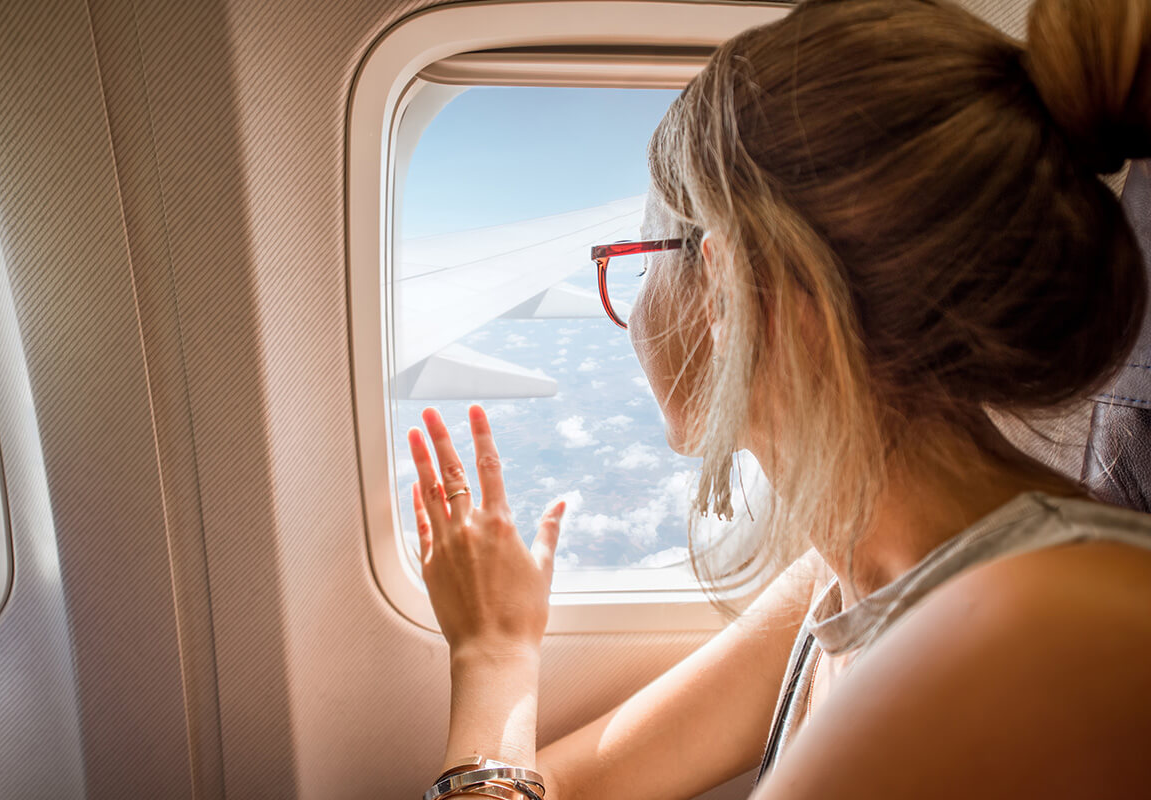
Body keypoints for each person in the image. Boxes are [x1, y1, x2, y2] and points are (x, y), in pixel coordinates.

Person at [408, 0, 1151, 797]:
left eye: (644, 251)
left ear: (727, 289)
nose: (636, 295)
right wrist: (504, 645)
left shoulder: (1027, 629)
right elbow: (577, 785)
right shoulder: (865, 569)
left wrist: (489, 659)